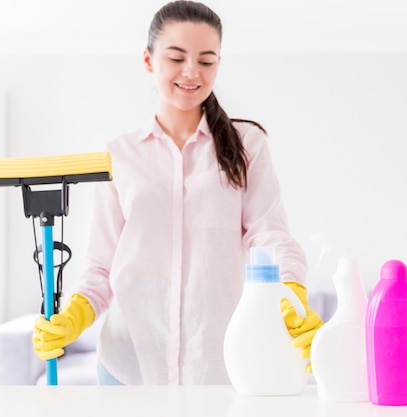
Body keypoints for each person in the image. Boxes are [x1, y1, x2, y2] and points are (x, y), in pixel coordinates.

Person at [33, 0, 323, 385]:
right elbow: (102, 265)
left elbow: (269, 234)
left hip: (220, 362)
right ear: (149, 61)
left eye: (207, 60)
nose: (192, 73)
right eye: (176, 57)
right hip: (127, 362)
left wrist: (290, 293)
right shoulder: (120, 154)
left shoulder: (246, 144)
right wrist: (74, 315)